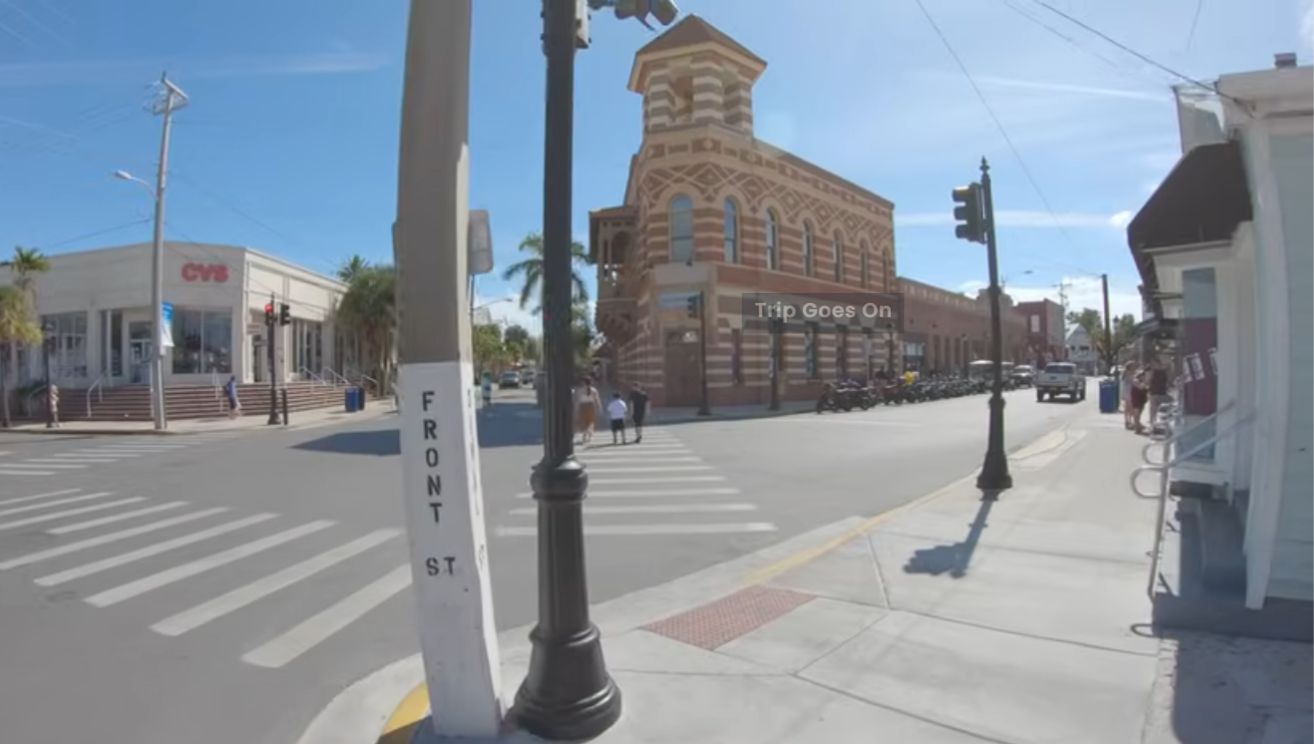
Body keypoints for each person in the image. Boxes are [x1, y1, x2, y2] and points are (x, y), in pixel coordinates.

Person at [574, 377, 601, 445]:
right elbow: (597, 400)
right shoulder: (594, 390)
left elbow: (578, 400)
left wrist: (576, 409)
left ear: (583, 382)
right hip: (591, 406)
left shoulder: (580, 390)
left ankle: (584, 435)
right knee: (590, 421)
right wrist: (599, 407)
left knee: (583, 421)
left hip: (582, 406)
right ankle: (590, 436)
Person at [1147, 359, 1170, 432]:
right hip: (1157, 393)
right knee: (1155, 410)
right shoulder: (1163, 371)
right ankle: (1153, 425)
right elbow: (1167, 382)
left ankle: (1154, 425)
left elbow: (1148, 380)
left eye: (1154, 364)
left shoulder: (1156, 372)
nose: (1153, 365)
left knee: (1155, 410)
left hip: (1157, 393)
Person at [1130, 367, 1149, 434]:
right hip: (1136, 400)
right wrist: (1145, 384)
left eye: (1144, 376)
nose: (1144, 377)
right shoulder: (1136, 380)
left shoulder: (1143, 382)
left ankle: (1138, 427)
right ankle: (1137, 428)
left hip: (1141, 400)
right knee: (1136, 414)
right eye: (1142, 375)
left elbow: (1146, 389)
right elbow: (1140, 387)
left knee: (1139, 414)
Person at [1119, 362, 1138, 429]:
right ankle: (1129, 422)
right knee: (1129, 407)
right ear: (1130, 367)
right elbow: (1132, 382)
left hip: (1127, 391)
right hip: (1128, 391)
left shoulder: (1126, 372)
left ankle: (1128, 421)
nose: (1134, 367)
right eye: (1133, 366)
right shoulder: (1128, 373)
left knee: (1128, 407)